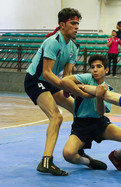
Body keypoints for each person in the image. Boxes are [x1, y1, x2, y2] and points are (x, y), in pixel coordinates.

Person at [24, 8, 81, 176]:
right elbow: (47, 73)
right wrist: (66, 86)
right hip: (36, 81)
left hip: (51, 82)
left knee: (78, 110)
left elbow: (68, 74)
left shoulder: (73, 47)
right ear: (62, 25)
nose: (76, 27)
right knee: (56, 116)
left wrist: (69, 89)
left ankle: (79, 148)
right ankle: (46, 161)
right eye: (73, 23)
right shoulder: (52, 42)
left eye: (77, 23)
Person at [60, 54, 121, 171]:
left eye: (99, 66)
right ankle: (88, 161)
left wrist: (99, 96)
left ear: (106, 70)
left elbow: (100, 113)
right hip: (81, 126)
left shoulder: (109, 89)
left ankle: (117, 157)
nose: (94, 70)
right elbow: (64, 80)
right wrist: (83, 93)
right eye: (92, 67)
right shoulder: (86, 78)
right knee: (68, 154)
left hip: (100, 123)